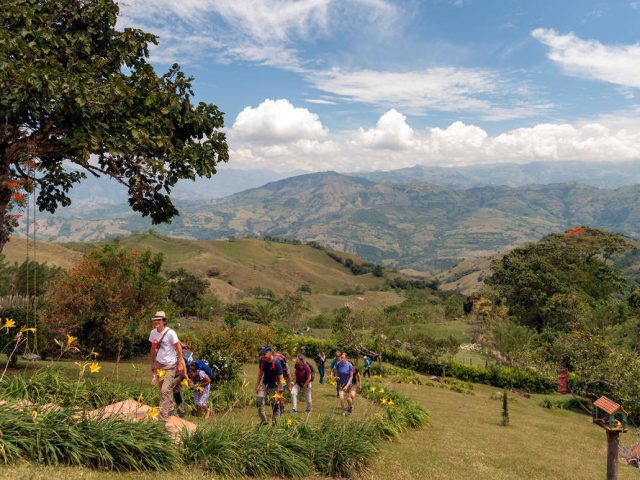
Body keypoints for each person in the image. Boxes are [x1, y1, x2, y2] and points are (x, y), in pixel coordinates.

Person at [149, 311, 186, 420]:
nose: (156, 322)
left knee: (165, 390)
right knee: (164, 391)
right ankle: (171, 410)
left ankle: (162, 417)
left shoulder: (170, 333)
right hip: (159, 366)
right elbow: (152, 349)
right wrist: (152, 364)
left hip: (170, 366)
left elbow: (178, 348)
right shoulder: (153, 333)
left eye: (159, 320)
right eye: (155, 320)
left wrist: (180, 364)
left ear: (164, 321)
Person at [256, 345, 285, 425]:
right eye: (261, 354)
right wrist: (257, 385)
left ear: (270, 353)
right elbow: (260, 373)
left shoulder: (276, 363)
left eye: (264, 354)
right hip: (264, 385)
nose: (263, 356)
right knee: (258, 401)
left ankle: (276, 423)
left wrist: (281, 390)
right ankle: (264, 420)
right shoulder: (262, 361)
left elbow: (281, 377)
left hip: (274, 387)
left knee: (274, 405)